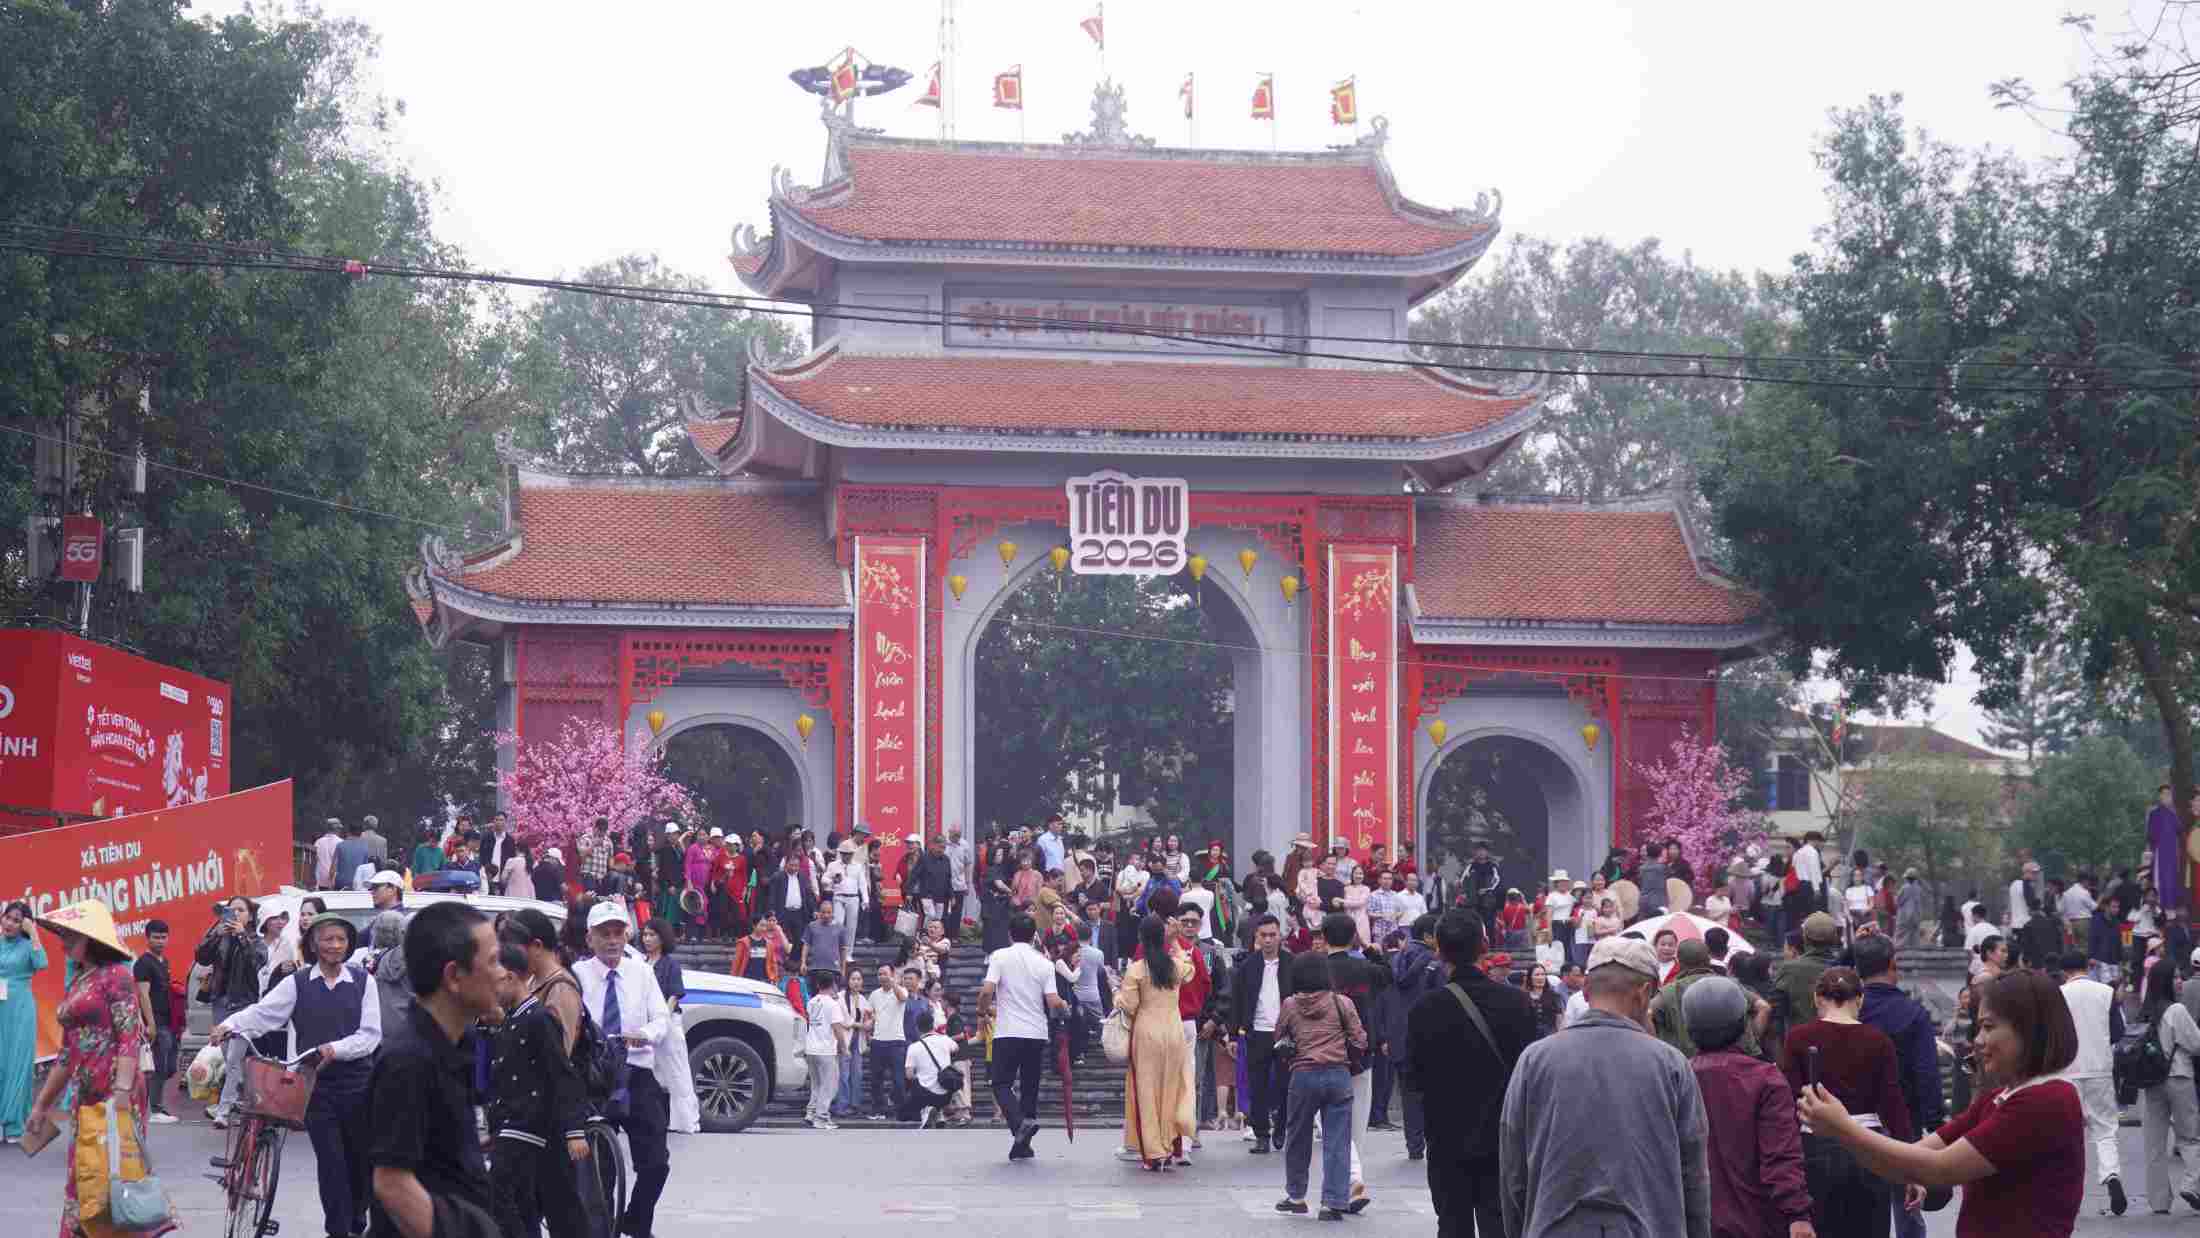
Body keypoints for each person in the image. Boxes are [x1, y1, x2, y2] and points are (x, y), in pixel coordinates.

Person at [1798, 968, 2084, 1238]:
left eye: (1988, 1027)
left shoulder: (2046, 1100)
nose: (1979, 1041)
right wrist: (1852, 1138)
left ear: (2029, 1030)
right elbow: (1915, 1155)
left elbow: (1939, 1168)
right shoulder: (1998, 1100)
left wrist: (1843, 1128)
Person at [1498, 935, 1710, 1238]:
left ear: (1585, 990)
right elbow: (1694, 1177)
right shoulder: (1670, 1064)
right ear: (1645, 992)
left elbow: (1513, 1172)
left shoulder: (1535, 1059)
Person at [218, 914, 382, 1238]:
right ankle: (337, 1230)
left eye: (341, 939)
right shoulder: (299, 982)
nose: (335, 945)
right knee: (331, 1164)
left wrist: (335, 1049)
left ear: (349, 944)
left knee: (360, 1164)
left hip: (358, 1086)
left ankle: (356, 1219)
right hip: (315, 1089)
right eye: (327, 939)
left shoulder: (364, 981)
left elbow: (370, 1035)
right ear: (313, 944)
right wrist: (229, 1025)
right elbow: (264, 1013)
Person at [25, 901, 172, 1238]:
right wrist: (42, 1104)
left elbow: (128, 1037)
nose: (64, 943)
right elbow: (67, 1053)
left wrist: (121, 1093)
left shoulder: (119, 975)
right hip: (84, 1093)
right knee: (86, 1176)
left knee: (117, 1177)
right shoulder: (79, 979)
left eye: (71, 936)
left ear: (90, 938)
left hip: (115, 1092)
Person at [365, 900, 504, 1238]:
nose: (503, 972)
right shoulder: (408, 1061)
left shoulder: (460, 1042)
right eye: (493, 961)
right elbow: (392, 1182)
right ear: (454, 976)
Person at [1407, 910, 1538, 1237]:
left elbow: (1414, 1079)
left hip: (1447, 1137)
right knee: (1501, 1224)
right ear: (1484, 945)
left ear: (1438, 951)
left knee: (1452, 1224)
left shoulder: (1425, 1010)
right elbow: (1529, 1074)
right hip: (1502, 1137)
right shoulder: (1518, 1003)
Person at [486, 909, 593, 1238]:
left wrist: (574, 1129)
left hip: (539, 1117)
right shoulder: (518, 1007)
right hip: (518, 1119)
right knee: (526, 1201)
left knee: (552, 1203)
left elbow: (562, 1066)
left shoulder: (548, 1003)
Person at [1781, 967, 1911, 1237]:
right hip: (1869, 1146)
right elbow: (1893, 1105)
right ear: (1860, 999)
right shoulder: (1879, 1041)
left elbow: (1789, 1100)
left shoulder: (1798, 1038)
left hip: (1814, 1146)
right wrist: (1911, 1164)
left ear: (1817, 998)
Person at [1685, 976, 1815, 1238]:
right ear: (1742, 1024)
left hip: (1691, 1221)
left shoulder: (1677, 1076)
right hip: (1756, 1222)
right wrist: (1797, 1214)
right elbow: (1780, 1155)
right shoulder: (1765, 1078)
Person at [571, 901, 672, 1238]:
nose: (612, 940)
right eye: (604, 934)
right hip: (596, 1077)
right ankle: (602, 1230)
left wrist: (643, 1035)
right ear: (590, 939)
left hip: (637, 1071)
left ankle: (637, 1221)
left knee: (656, 1162)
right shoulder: (577, 976)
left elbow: (661, 1018)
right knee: (600, 1167)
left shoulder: (641, 972)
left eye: (618, 933)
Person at [1850, 934, 1947, 1235]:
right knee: (1907, 1199)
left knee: (1859, 1205)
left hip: (1853, 1121)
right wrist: (1935, 1120)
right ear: (1894, 964)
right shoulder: (1913, 1014)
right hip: (1905, 1118)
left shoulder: (1848, 1011)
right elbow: (1926, 1071)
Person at [1273, 949, 1367, 1219]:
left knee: (1298, 1137)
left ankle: (1296, 1196)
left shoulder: (1290, 1004)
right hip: (1338, 1075)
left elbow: (1280, 1036)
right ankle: (1334, 1202)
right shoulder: (1342, 1003)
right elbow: (1360, 1038)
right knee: (1337, 1140)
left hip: (1303, 1075)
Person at [978, 911, 1069, 1162]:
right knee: (1030, 1087)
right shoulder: (1044, 963)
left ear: (1010, 934)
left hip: (1007, 1031)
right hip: (1036, 1032)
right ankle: (1022, 1145)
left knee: (1000, 1083)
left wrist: (982, 1009)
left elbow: (987, 989)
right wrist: (1064, 1006)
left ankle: (1019, 1125)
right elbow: (1052, 1000)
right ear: (1033, 936)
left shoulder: (1000, 956)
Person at [1117, 913, 1195, 1170]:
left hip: (1147, 1034)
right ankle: (1169, 1144)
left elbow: (1129, 1006)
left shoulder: (1136, 970)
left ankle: (1154, 1153)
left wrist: (1116, 995)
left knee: (1147, 1093)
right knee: (1172, 1090)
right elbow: (1190, 968)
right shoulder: (1175, 966)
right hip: (1173, 1033)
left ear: (1140, 937)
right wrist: (1174, 942)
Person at [2136, 956, 2200, 1214]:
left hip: (2151, 1081)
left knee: (2154, 1143)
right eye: (2174, 977)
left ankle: (2159, 1201)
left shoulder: (2145, 1011)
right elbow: (2196, 1044)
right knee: (2190, 1137)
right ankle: (2192, 1184)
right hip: (2179, 1077)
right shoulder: (2177, 1011)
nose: (2180, 981)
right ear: (2165, 981)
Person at [197, 893, 267, 1127]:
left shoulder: (255, 940)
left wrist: (241, 936)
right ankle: (253, 1100)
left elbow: (257, 961)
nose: (235, 914)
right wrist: (216, 934)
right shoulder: (220, 935)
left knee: (235, 1057)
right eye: (232, 910)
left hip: (243, 1004)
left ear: (250, 916)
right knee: (230, 1058)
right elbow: (201, 957)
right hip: (220, 1002)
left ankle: (223, 1111)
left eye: (241, 910)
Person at [1232, 914, 1295, 1154]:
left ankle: (1281, 1127)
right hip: (1257, 1032)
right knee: (1257, 1086)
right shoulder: (1248, 966)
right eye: (1263, 936)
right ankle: (1261, 1135)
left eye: (1272, 935)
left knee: (1285, 1084)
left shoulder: (1292, 963)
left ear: (1280, 936)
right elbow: (1238, 1001)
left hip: (1285, 1033)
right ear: (1256, 937)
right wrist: (1234, 1033)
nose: (1268, 940)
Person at [0, 901, 49, 1140]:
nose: (9, 923)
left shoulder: (28, 945)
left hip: (19, 1009)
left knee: (17, 1064)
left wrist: (33, 933)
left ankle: (14, 1124)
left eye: (17, 920)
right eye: (7, 917)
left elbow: (42, 964)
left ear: (25, 925)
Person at [131, 919, 181, 1124]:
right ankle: (156, 1109)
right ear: (148, 938)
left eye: (163, 937)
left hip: (169, 1021)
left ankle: (151, 1105)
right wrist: (150, 1024)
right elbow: (143, 995)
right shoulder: (143, 963)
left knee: (170, 1067)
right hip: (156, 1022)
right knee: (159, 1065)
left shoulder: (164, 962)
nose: (160, 941)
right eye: (156, 937)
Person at [802, 969, 847, 1129]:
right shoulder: (833, 1004)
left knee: (816, 1084)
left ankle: (811, 1112)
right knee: (829, 1085)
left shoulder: (812, 1002)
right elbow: (837, 1028)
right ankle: (821, 1117)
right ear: (833, 985)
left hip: (811, 1047)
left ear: (818, 985)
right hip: (826, 1049)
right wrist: (843, 1047)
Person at [865, 964, 911, 1120]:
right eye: (879, 974)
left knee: (898, 1079)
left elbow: (903, 998)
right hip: (878, 1041)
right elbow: (869, 1014)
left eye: (884, 973)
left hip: (896, 1041)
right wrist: (868, 1030)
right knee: (876, 1079)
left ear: (892, 975)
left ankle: (900, 1109)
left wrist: (894, 983)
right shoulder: (874, 995)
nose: (881, 977)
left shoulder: (900, 990)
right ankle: (878, 1109)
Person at [2151, 784, 2186, 913]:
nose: (2167, 797)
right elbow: (2151, 836)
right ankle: (2159, 909)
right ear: (2159, 796)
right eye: (2164, 794)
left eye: (2169, 794)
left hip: (2172, 855)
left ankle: (2171, 909)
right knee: (2160, 881)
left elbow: (2180, 830)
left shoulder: (2173, 814)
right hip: (2161, 854)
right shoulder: (2154, 814)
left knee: (2172, 881)